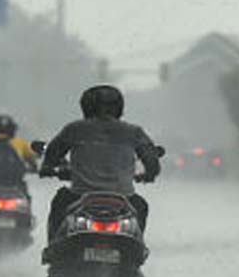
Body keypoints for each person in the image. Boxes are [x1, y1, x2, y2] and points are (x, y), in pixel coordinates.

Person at [37, 85, 161, 242]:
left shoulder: (75, 129)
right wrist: (149, 174)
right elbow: (151, 159)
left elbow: (53, 152)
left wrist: (47, 168)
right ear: (119, 107)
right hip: (124, 197)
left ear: (86, 106)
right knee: (141, 207)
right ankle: (137, 247)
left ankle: (52, 249)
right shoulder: (134, 132)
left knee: (59, 203)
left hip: (79, 195)